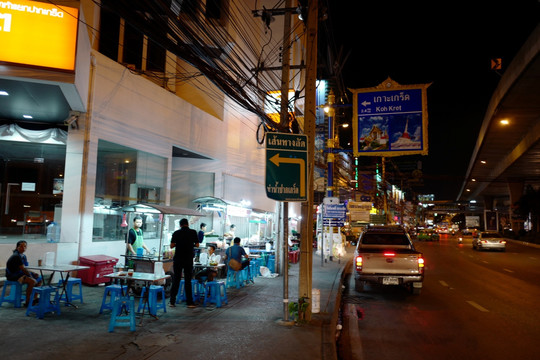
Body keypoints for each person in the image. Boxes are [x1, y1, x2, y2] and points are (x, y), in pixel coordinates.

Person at [169, 218, 199, 308]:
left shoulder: (176, 233)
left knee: (176, 279)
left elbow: (171, 246)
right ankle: (189, 302)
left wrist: (178, 244)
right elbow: (197, 245)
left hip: (178, 259)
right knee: (188, 280)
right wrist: (190, 244)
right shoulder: (193, 232)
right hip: (188, 259)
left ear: (180, 225)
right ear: (187, 224)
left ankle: (172, 302)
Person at [6, 240, 42, 307]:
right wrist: (31, 276)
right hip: (13, 275)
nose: (23, 248)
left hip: (20, 273)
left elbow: (26, 267)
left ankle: (34, 298)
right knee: (32, 281)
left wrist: (33, 273)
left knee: (39, 278)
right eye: (21, 246)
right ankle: (27, 302)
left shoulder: (23, 256)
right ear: (17, 247)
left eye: (25, 246)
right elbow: (23, 269)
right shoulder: (16, 256)